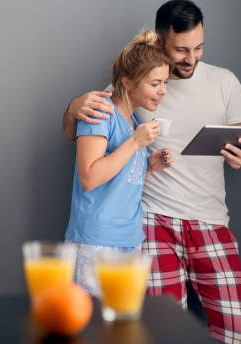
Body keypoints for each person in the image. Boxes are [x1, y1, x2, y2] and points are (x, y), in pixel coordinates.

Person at [62, 0, 241, 344]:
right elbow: (84, 132)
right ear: (159, 42)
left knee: (236, 330)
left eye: (198, 47)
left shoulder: (224, 82)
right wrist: (72, 107)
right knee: (156, 330)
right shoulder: (134, 85)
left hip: (209, 218)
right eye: (181, 49)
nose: (191, 58)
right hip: (150, 221)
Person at [65, 29, 174, 296]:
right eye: (155, 83)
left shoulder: (134, 122)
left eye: (165, 83)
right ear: (127, 82)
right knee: (92, 327)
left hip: (130, 239)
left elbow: (121, 182)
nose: (163, 91)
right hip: (97, 241)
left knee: (121, 327)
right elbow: (89, 178)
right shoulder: (101, 114)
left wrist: (148, 166)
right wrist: (135, 143)